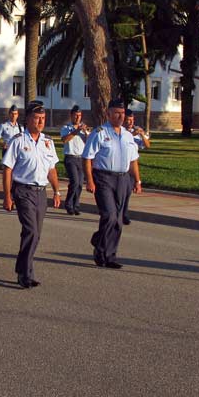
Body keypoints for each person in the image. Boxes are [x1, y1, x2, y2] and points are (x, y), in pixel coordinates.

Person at [1, 100, 61, 288]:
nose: (40, 122)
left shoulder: (47, 142)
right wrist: (7, 196)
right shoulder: (18, 140)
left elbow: (51, 169)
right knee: (31, 231)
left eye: (43, 118)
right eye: (36, 118)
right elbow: (7, 168)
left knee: (36, 234)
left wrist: (57, 191)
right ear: (28, 119)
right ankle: (26, 274)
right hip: (23, 190)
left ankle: (22, 268)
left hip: (41, 192)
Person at [83, 99, 142, 269]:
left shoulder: (128, 135)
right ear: (108, 114)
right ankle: (101, 249)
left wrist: (137, 180)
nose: (120, 116)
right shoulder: (99, 133)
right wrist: (90, 180)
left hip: (123, 179)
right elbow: (87, 158)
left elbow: (133, 160)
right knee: (109, 215)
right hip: (104, 178)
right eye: (117, 113)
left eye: (123, 113)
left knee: (118, 220)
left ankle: (108, 254)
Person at [120, 110, 150, 225]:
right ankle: (119, 213)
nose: (130, 122)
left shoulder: (135, 131)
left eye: (132, 120)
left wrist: (141, 134)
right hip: (121, 166)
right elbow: (124, 139)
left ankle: (124, 213)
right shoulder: (121, 131)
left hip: (132, 166)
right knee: (121, 193)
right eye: (128, 120)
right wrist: (132, 134)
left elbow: (147, 146)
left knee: (127, 192)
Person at [60, 105, 90, 216]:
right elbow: (64, 140)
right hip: (70, 158)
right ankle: (68, 204)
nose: (78, 118)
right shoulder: (66, 128)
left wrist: (86, 133)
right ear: (71, 116)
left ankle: (76, 205)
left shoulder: (83, 130)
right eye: (76, 115)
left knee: (80, 184)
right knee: (75, 182)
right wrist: (75, 131)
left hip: (81, 158)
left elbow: (88, 143)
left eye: (79, 115)